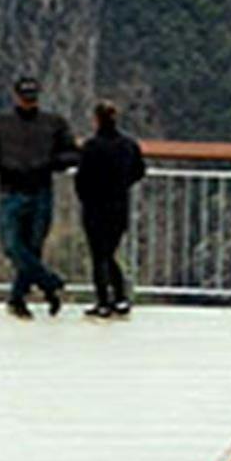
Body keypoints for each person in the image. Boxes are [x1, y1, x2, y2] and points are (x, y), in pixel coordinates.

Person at [0, 76, 80, 319]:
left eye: (32, 97)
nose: (28, 101)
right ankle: (49, 283)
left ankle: (18, 298)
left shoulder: (54, 124)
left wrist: (49, 163)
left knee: (33, 246)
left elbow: (72, 154)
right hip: (11, 191)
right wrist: (1, 164)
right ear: (16, 96)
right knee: (12, 246)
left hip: (41, 191)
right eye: (24, 96)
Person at [75, 101, 145, 317]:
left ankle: (104, 300)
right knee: (109, 252)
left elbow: (81, 178)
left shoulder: (91, 146)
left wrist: (85, 197)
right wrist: (122, 185)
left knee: (99, 255)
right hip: (118, 205)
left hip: (95, 206)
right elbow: (139, 170)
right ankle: (120, 297)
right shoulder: (129, 145)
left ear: (96, 119)